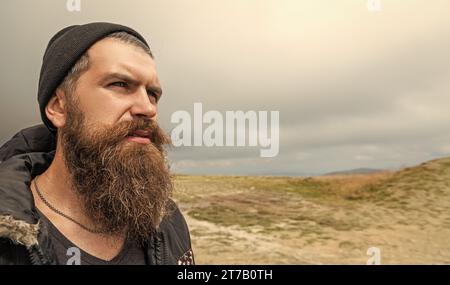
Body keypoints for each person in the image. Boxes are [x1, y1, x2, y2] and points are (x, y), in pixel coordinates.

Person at [0, 22, 194, 265]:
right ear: (59, 107)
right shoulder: (8, 238)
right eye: (120, 84)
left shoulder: (166, 220)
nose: (148, 108)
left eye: (152, 93)